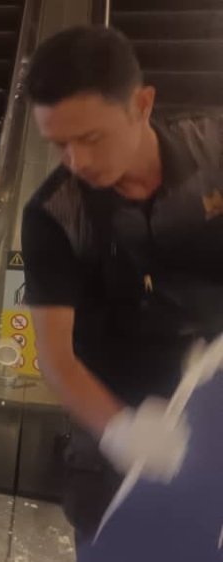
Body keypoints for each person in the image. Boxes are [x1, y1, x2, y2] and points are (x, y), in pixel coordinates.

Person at [20, 26, 223, 546]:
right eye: (59, 144)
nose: (76, 161)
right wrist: (121, 432)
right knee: (115, 536)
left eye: (90, 138)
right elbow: (57, 359)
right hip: (118, 409)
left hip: (213, 389)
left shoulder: (214, 151)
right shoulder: (56, 214)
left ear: (142, 104)